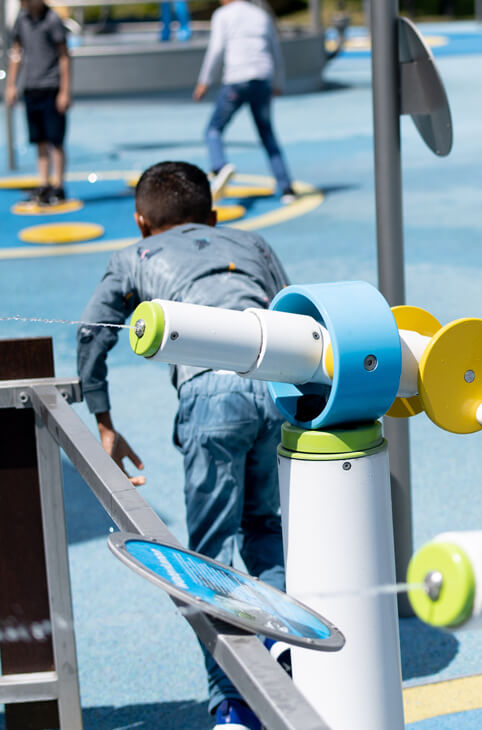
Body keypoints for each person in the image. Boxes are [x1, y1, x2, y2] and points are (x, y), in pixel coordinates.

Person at [76, 161, 292, 730]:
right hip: (274, 390)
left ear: (141, 222)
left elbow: (91, 332)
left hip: (209, 395)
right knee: (264, 527)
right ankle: (284, 648)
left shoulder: (134, 256)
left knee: (210, 556)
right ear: (214, 215)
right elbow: (295, 314)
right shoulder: (252, 241)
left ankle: (231, 703)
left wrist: (103, 417)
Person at [194, 0, 295, 203]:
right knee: (267, 134)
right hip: (262, 79)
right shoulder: (261, 14)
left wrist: (204, 81)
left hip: (236, 80)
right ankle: (286, 188)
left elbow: (216, 49)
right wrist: (278, 82)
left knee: (213, 129)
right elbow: (275, 51)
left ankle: (220, 166)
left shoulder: (223, 15)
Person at [5, 0, 71, 206]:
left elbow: (64, 56)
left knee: (55, 139)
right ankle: (43, 183)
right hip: (31, 87)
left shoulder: (52, 20)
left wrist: (65, 91)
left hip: (51, 86)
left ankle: (58, 185)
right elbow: (16, 52)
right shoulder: (22, 19)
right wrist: (11, 84)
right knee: (39, 139)